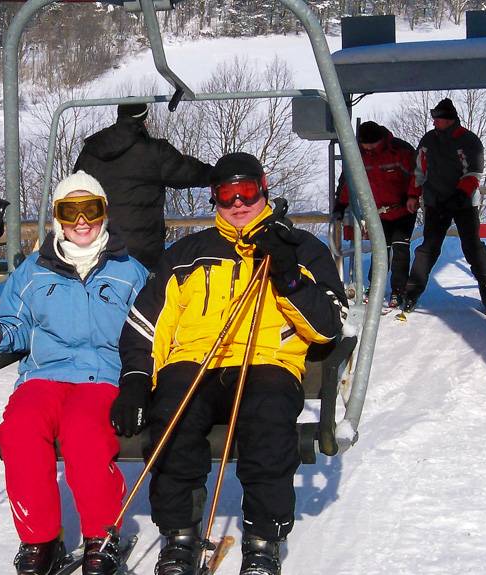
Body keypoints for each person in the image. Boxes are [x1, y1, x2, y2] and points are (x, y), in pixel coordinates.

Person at [109, 152, 348, 575]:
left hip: (266, 361)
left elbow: (329, 327)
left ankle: (263, 538)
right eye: (226, 193)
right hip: (196, 361)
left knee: (270, 419)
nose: (238, 203)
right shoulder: (187, 253)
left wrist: (289, 276)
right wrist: (134, 378)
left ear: (264, 186)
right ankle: (180, 535)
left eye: (247, 191)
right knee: (173, 415)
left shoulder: (302, 248)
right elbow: (146, 322)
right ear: (213, 198)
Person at [0, 171, 148, 575]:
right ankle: (39, 540)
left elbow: (149, 328)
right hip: (45, 375)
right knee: (20, 429)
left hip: (103, 376)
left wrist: (140, 380)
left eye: (89, 209)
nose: (81, 221)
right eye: (69, 210)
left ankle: (101, 536)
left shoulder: (130, 272)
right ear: (57, 217)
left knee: (84, 433)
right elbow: (15, 325)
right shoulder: (33, 271)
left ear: (104, 212)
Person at [74, 102, 213, 270]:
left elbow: (74, 189)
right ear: (144, 119)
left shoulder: (92, 150)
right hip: (143, 255)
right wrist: (219, 174)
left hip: (96, 249)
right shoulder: (154, 152)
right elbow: (189, 173)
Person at [403, 98, 486, 314]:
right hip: (435, 202)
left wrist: (458, 196)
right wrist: (412, 195)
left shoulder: (468, 140)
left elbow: (473, 173)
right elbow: (419, 171)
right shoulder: (428, 140)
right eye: (434, 118)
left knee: (472, 246)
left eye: (438, 118)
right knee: (428, 247)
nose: (435, 122)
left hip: (464, 203)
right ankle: (412, 291)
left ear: (449, 120)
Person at [333, 121, 417, 308]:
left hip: (403, 209)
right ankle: (375, 285)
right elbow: (349, 182)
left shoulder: (400, 150)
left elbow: (415, 175)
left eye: (373, 144)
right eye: (365, 145)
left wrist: (412, 195)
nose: (369, 148)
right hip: (378, 212)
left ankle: (398, 289)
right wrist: (341, 204)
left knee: (400, 248)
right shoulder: (358, 156)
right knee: (380, 250)